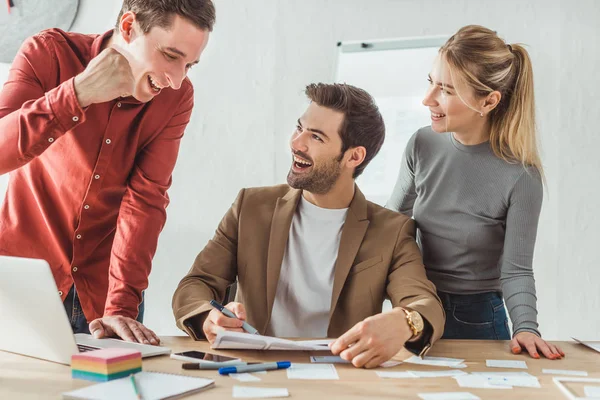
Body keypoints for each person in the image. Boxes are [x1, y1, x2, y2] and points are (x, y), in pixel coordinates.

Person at [172, 83, 445, 368]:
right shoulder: (250, 207)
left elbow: (425, 303)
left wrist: (405, 321)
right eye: (299, 128)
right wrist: (208, 317)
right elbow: (196, 284)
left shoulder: (391, 230)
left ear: (354, 157)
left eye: (315, 137)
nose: (296, 143)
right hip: (255, 369)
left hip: (340, 375)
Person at [0, 0, 215, 344]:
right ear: (129, 27)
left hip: (108, 304)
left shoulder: (177, 98)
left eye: (189, 65)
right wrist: (78, 93)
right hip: (23, 287)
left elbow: (146, 200)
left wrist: (122, 304)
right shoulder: (49, 53)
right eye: (171, 56)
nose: (176, 80)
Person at [387, 25, 564, 360]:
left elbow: (517, 269)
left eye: (447, 90)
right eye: (431, 82)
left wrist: (526, 327)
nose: (427, 99)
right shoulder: (422, 144)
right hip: (417, 310)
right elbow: (391, 225)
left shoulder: (521, 176)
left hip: (477, 318)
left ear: (489, 100)